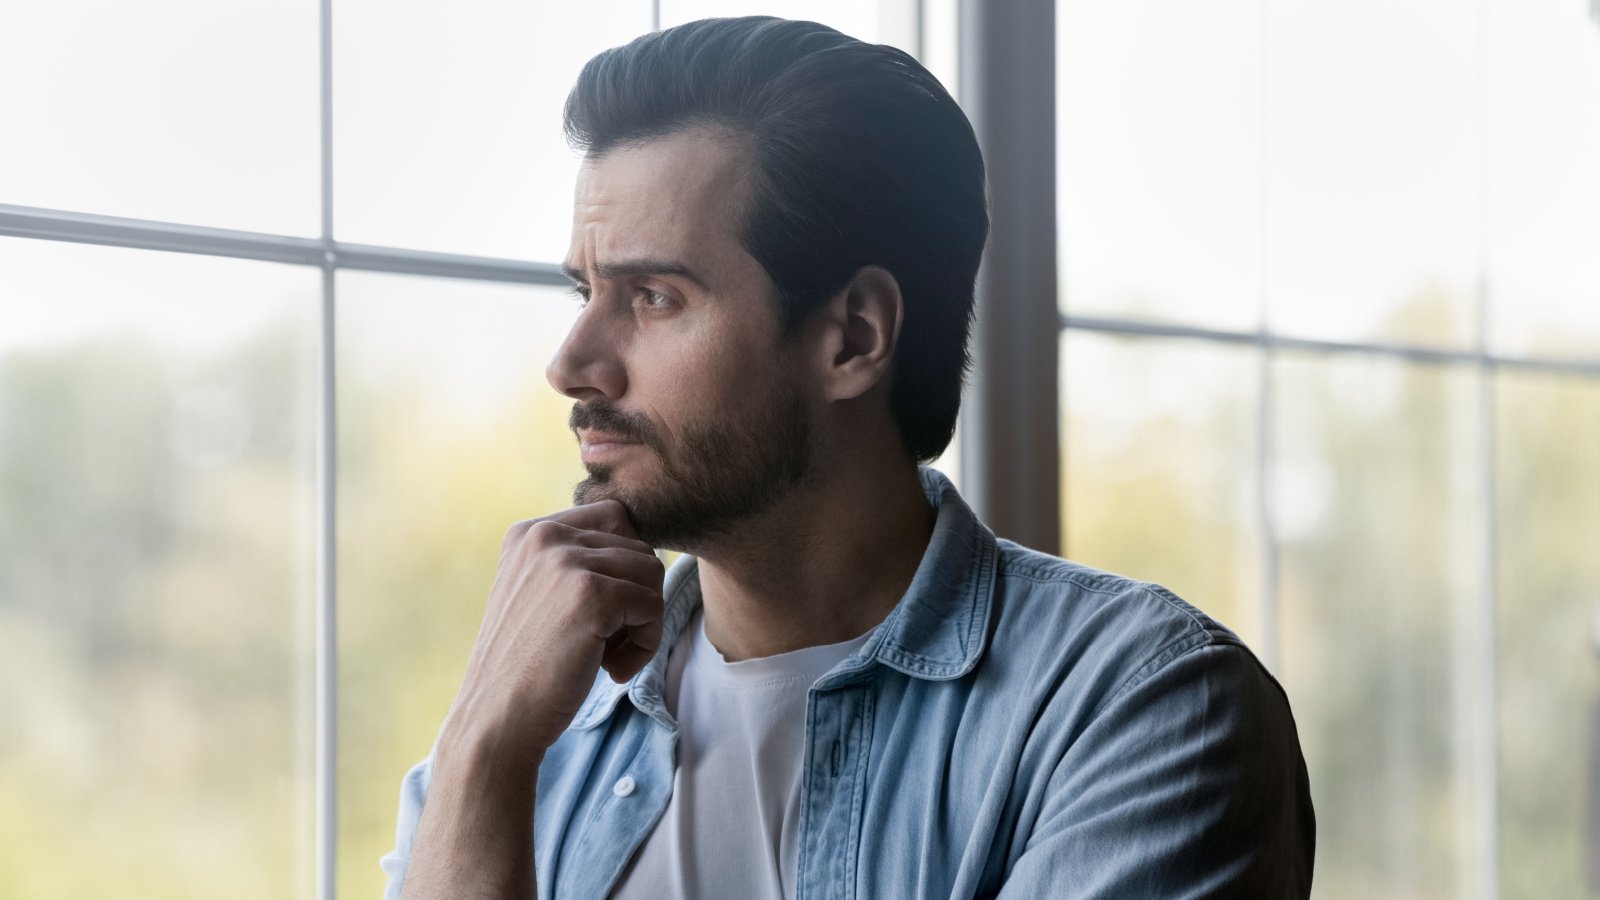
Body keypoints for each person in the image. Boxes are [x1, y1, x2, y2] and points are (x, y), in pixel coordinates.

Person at [384, 16, 1314, 900]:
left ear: (853, 337)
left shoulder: (1139, 711)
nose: (571, 364)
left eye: (655, 297)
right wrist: (480, 745)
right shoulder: (519, 734)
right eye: (585, 291)